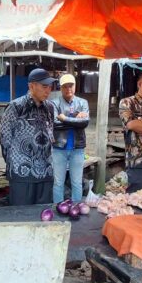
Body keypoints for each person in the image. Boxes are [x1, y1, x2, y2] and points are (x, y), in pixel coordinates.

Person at [0, 68, 56, 205]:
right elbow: (5, 139)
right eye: (44, 86)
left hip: (46, 173)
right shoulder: (16, 107)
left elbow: (50, 134)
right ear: (31, 86)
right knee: (21, 214)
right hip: (22, 173)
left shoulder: (49, 108)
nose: (48, 90)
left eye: (50, 87)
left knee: (43, 213)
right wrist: (15, 163)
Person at [51, 73, 89, 204]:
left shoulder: (83, 102)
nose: (68, 89)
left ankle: (76, 208)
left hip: (77, 148)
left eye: (71, 86)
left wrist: (64, 118)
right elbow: (55, 124)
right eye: (65, 86)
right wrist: (76, 119)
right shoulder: (54, 103)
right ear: (60, 88)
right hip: (59, 148)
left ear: (75, 86)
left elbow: (85, 123)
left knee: (77, 182)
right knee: (58, 182)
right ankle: (58, 207)